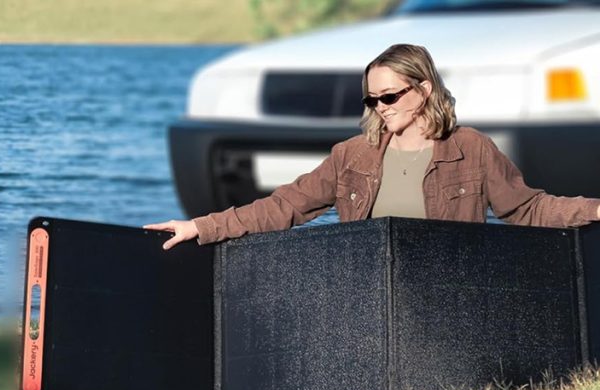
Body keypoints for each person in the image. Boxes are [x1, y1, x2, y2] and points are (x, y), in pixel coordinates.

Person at [146, 43, 600, 249]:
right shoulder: (352, 155)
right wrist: (201, 227)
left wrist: (595, 210)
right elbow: (284, 207)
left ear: (423, 90)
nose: (380, 107)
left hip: (448, 283)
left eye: (390, 96)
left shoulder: (472, 148)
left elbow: (527, 210)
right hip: (366, 287)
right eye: (372, 98)